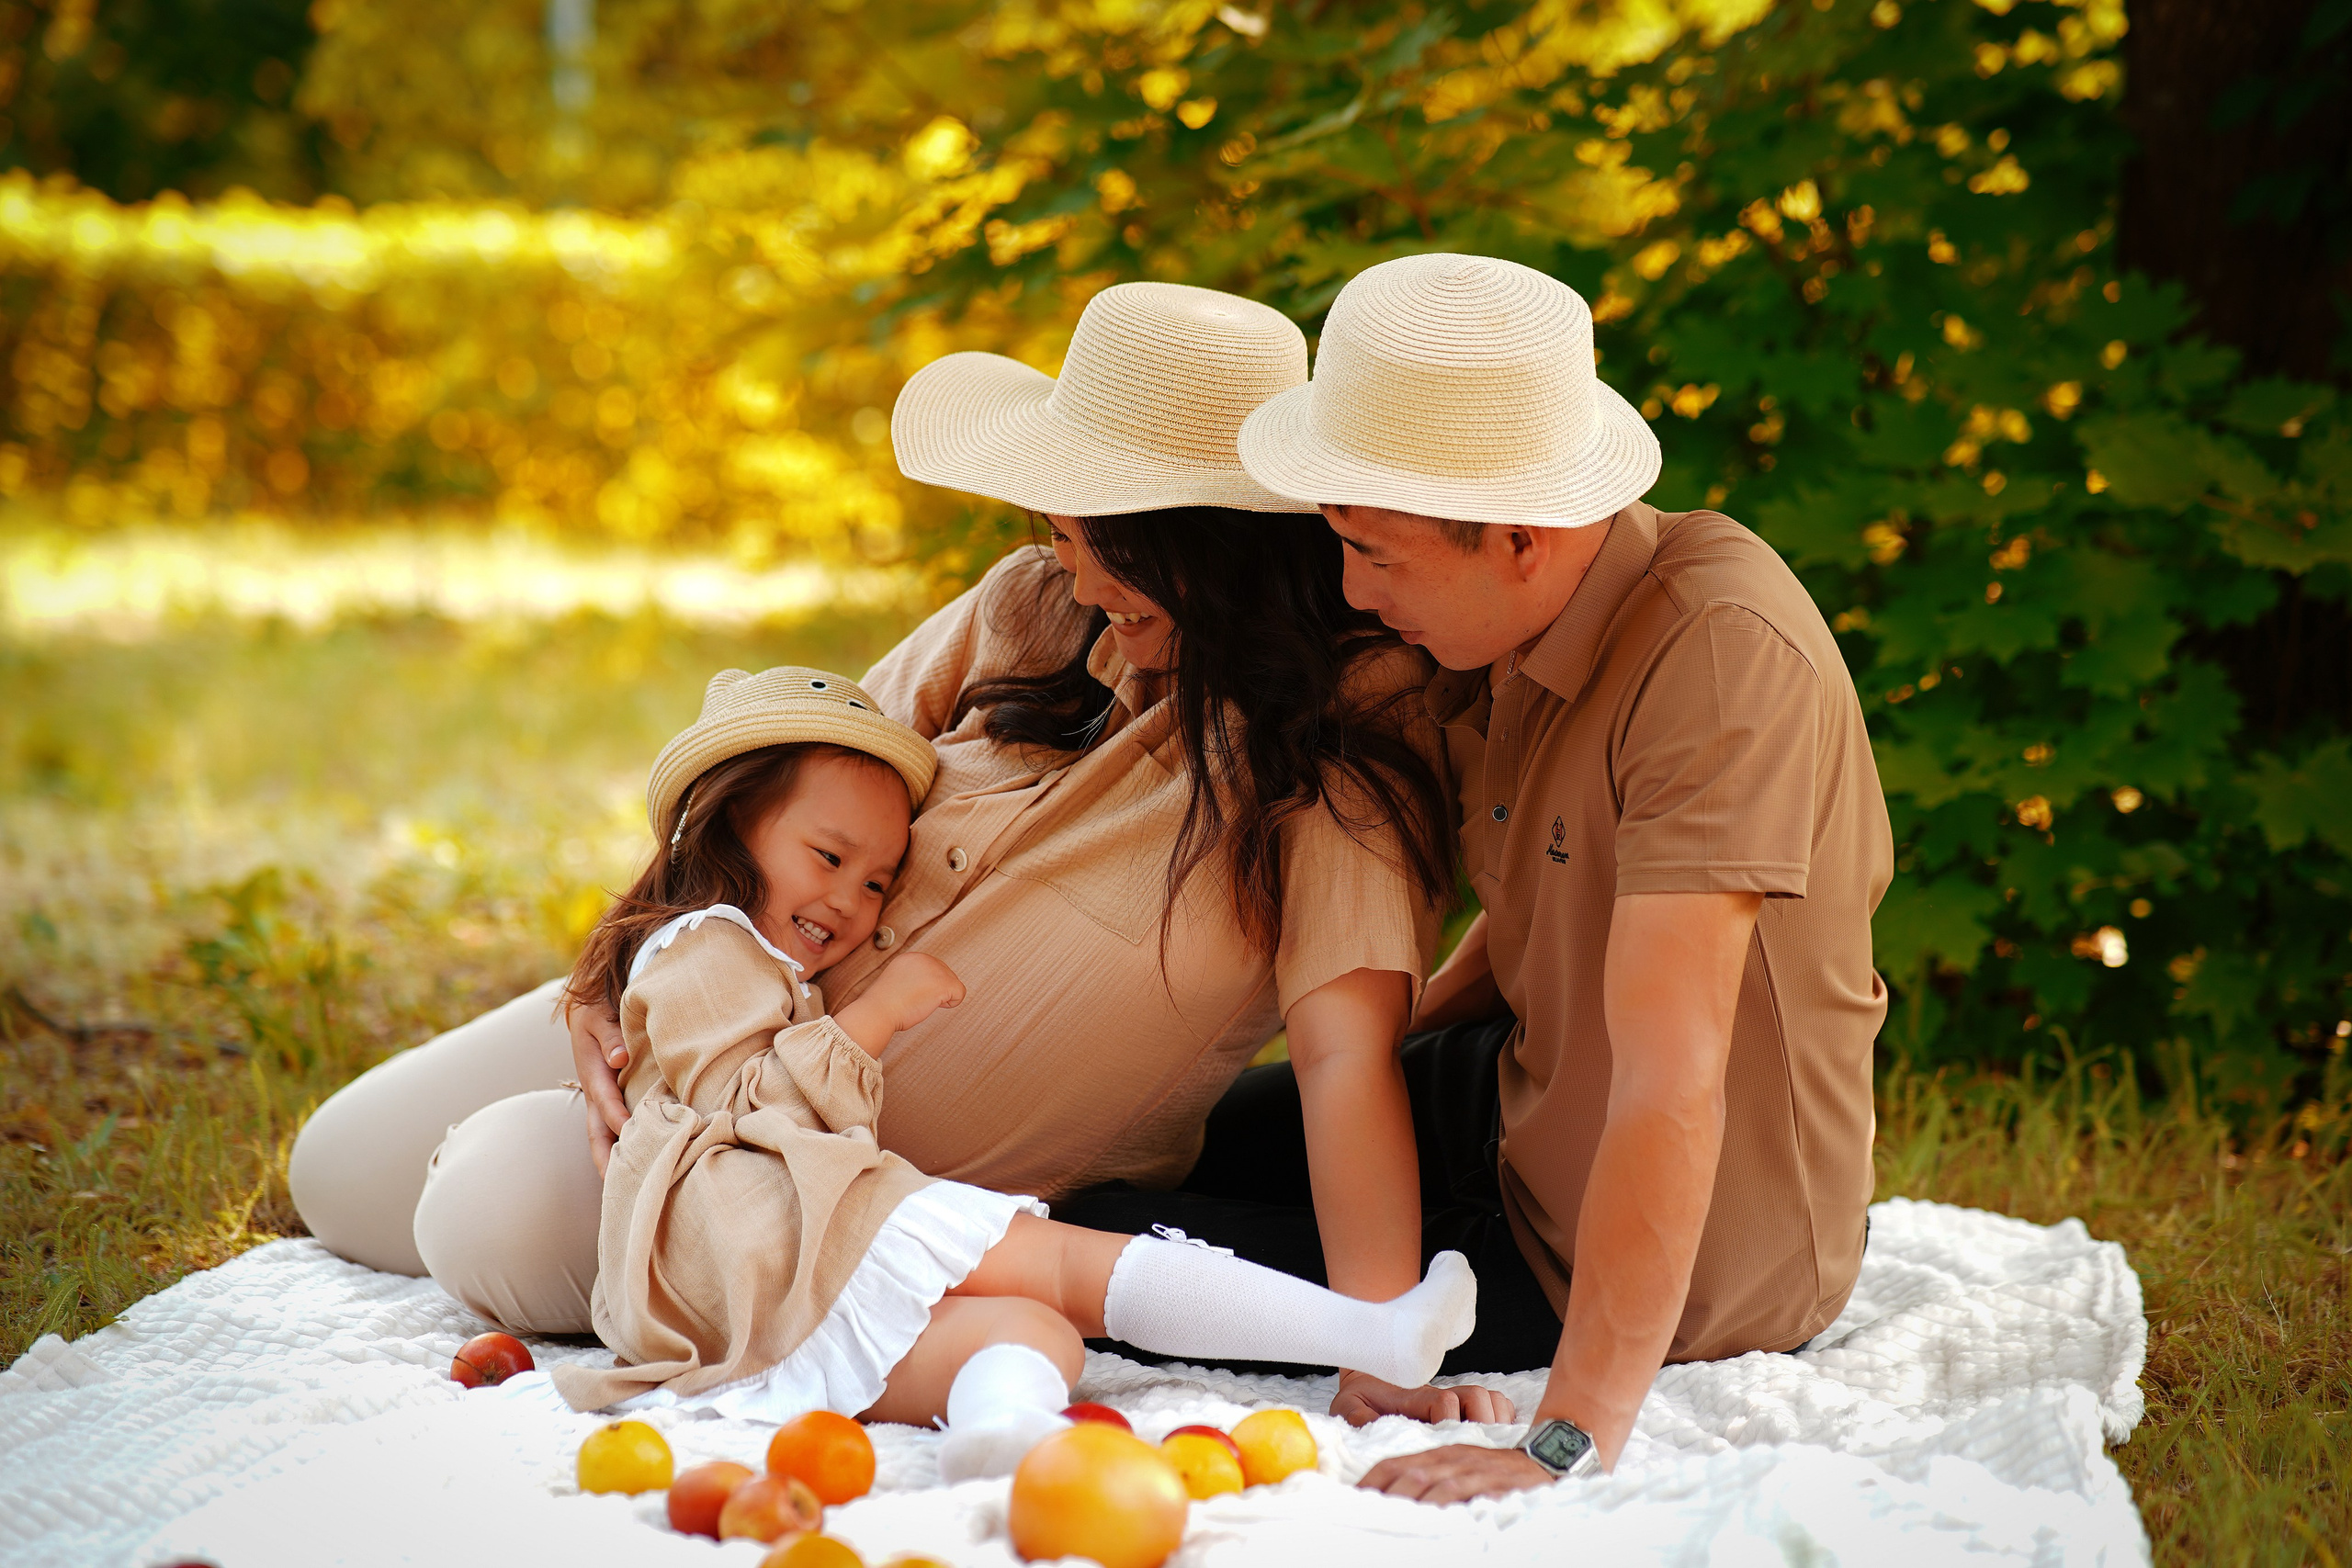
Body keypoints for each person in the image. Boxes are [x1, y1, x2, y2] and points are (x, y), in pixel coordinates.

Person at [286, 280, 1501, 1422]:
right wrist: (616, 978)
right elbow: (776, 777)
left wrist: (1375, 1334)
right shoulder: (1039, 602)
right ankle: (584, 1124)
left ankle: (633, 1204)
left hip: (818, 1171)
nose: (1063, 549)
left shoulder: (1335, 757)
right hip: (717, 1007)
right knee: (337, 1166)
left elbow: (1346, 1059)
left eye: (1096, 525)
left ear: (1209, 540)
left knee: (489, 1194)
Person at [1196, 252, 1894, 1498]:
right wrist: (1378, 1052)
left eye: (1379, 554)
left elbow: (1672, 1078)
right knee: (1163, 1148)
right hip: (1512, 1108)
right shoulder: (1517, 625)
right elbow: (1537, 931)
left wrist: (1560, 1437)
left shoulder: (1717, 662)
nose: (1354, 589)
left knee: (1108, 1244)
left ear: (1525, 534)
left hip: (1642, 1255)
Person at [541, 664, 1475, 1476]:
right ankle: (1369, 1333)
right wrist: (877, 1012)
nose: (850, 901)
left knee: (1040, 1335)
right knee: (1063, 1265)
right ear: (728, 826)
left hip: (757, 1294)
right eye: (827, 857)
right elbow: (739, 1105)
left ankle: (1002, 1432)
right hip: (750, 1235)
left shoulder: (763, 959)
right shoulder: (703, 945)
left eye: (877, 881)